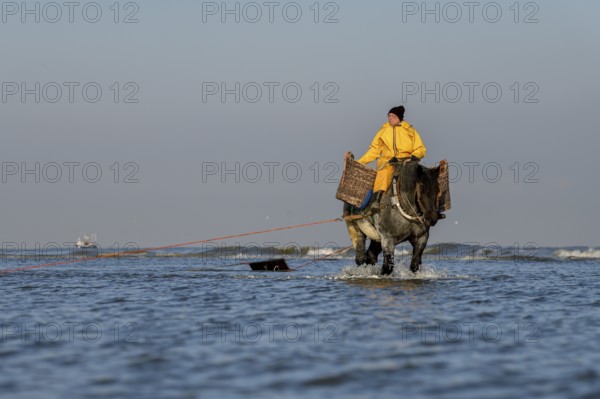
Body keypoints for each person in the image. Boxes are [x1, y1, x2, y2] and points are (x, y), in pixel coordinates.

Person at [357, 106, 426, 213]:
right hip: (388, 162)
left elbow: (420, 148)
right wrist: (360, 162)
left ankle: (429, 207)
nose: (390, 118)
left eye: (393, 116)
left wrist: (415, 156)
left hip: (407, 162)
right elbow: (374, 150)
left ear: (399, 117)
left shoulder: (410, 131)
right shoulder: (383, 131)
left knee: (423, 177)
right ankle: (376, 200)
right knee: (383, 173)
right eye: (389, 116)